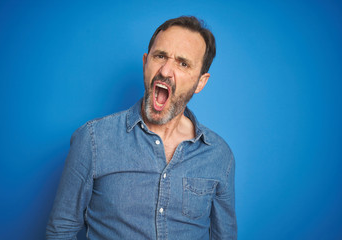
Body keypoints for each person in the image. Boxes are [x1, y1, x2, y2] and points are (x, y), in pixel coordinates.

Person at [46, 16, 237, 239]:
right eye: (160, 56)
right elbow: (61, 229)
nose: (166, 71)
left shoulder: (219, 155)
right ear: (146, 62)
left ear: (201, 82)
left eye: (183, 63)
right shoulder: (93, 140)